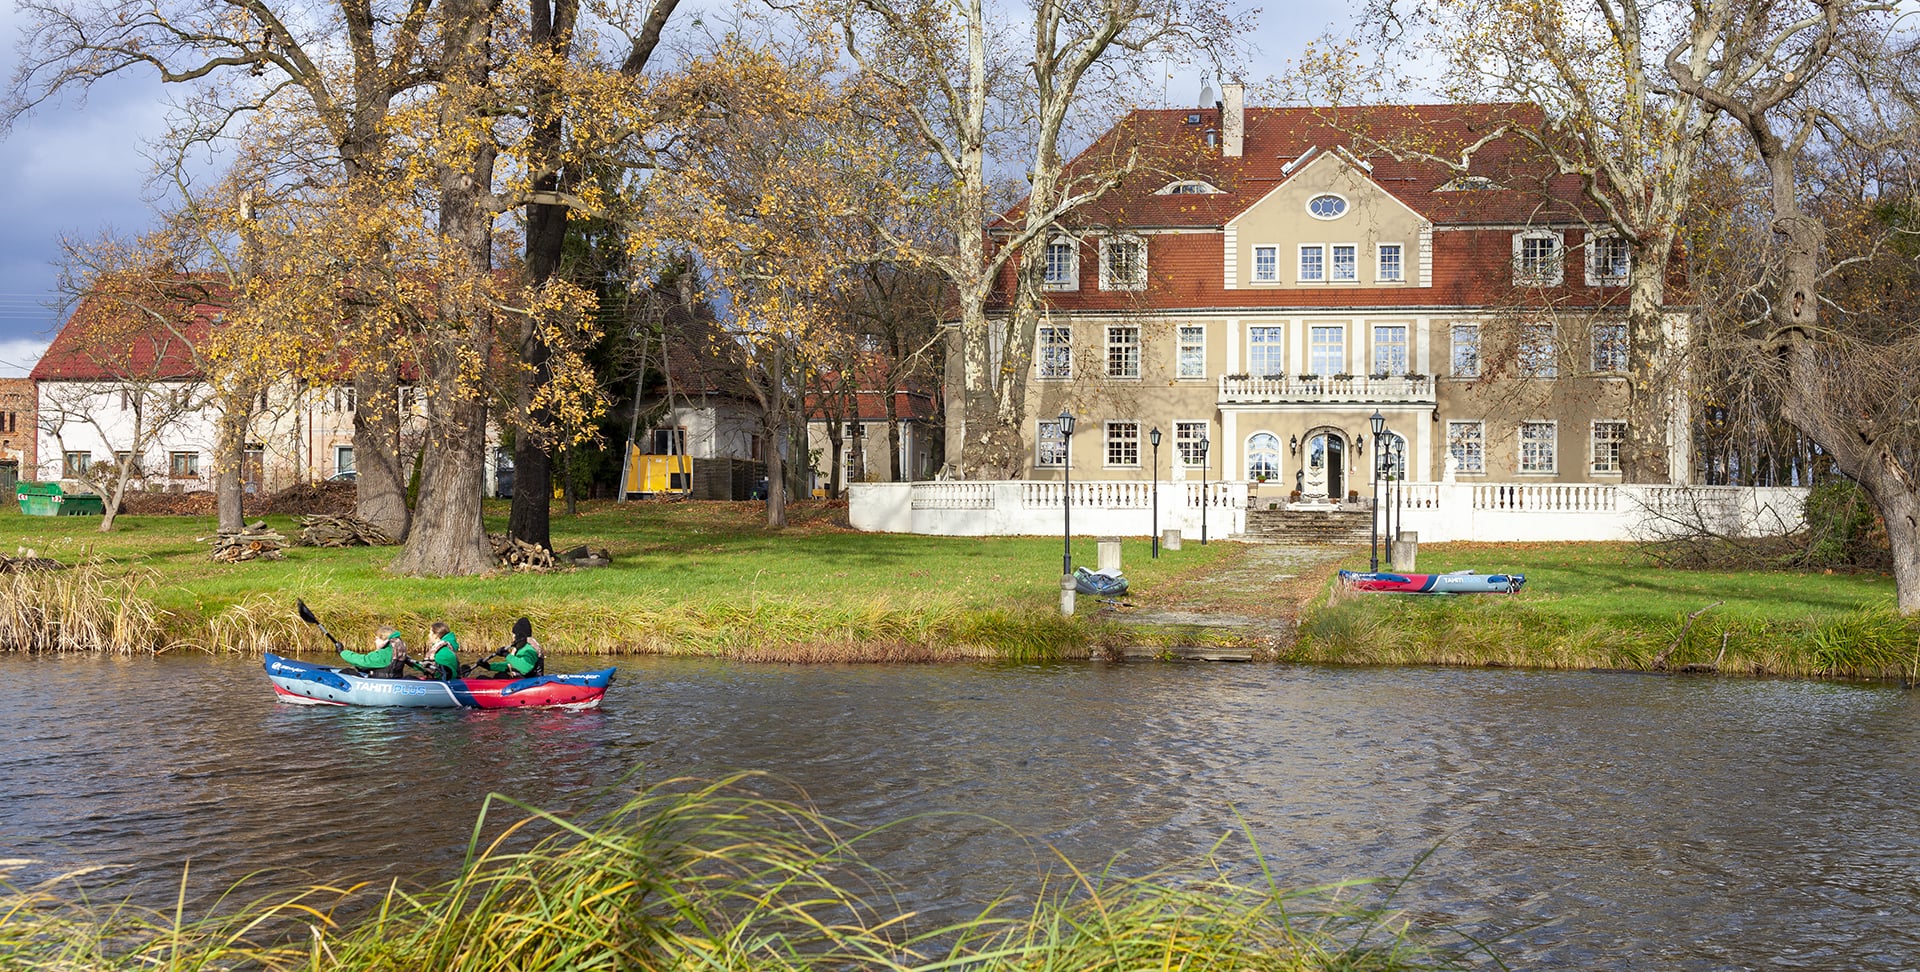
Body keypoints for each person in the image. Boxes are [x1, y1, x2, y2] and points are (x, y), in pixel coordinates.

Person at [339, 627, 408, 678]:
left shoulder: (382, 654)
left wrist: (342, 652)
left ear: (384, 640)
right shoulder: (399, 653)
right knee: (362, 669)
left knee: (346, 671)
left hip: (381, 683)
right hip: (393, 680)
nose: (375, 641)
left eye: (376, 639)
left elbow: (363, 660)